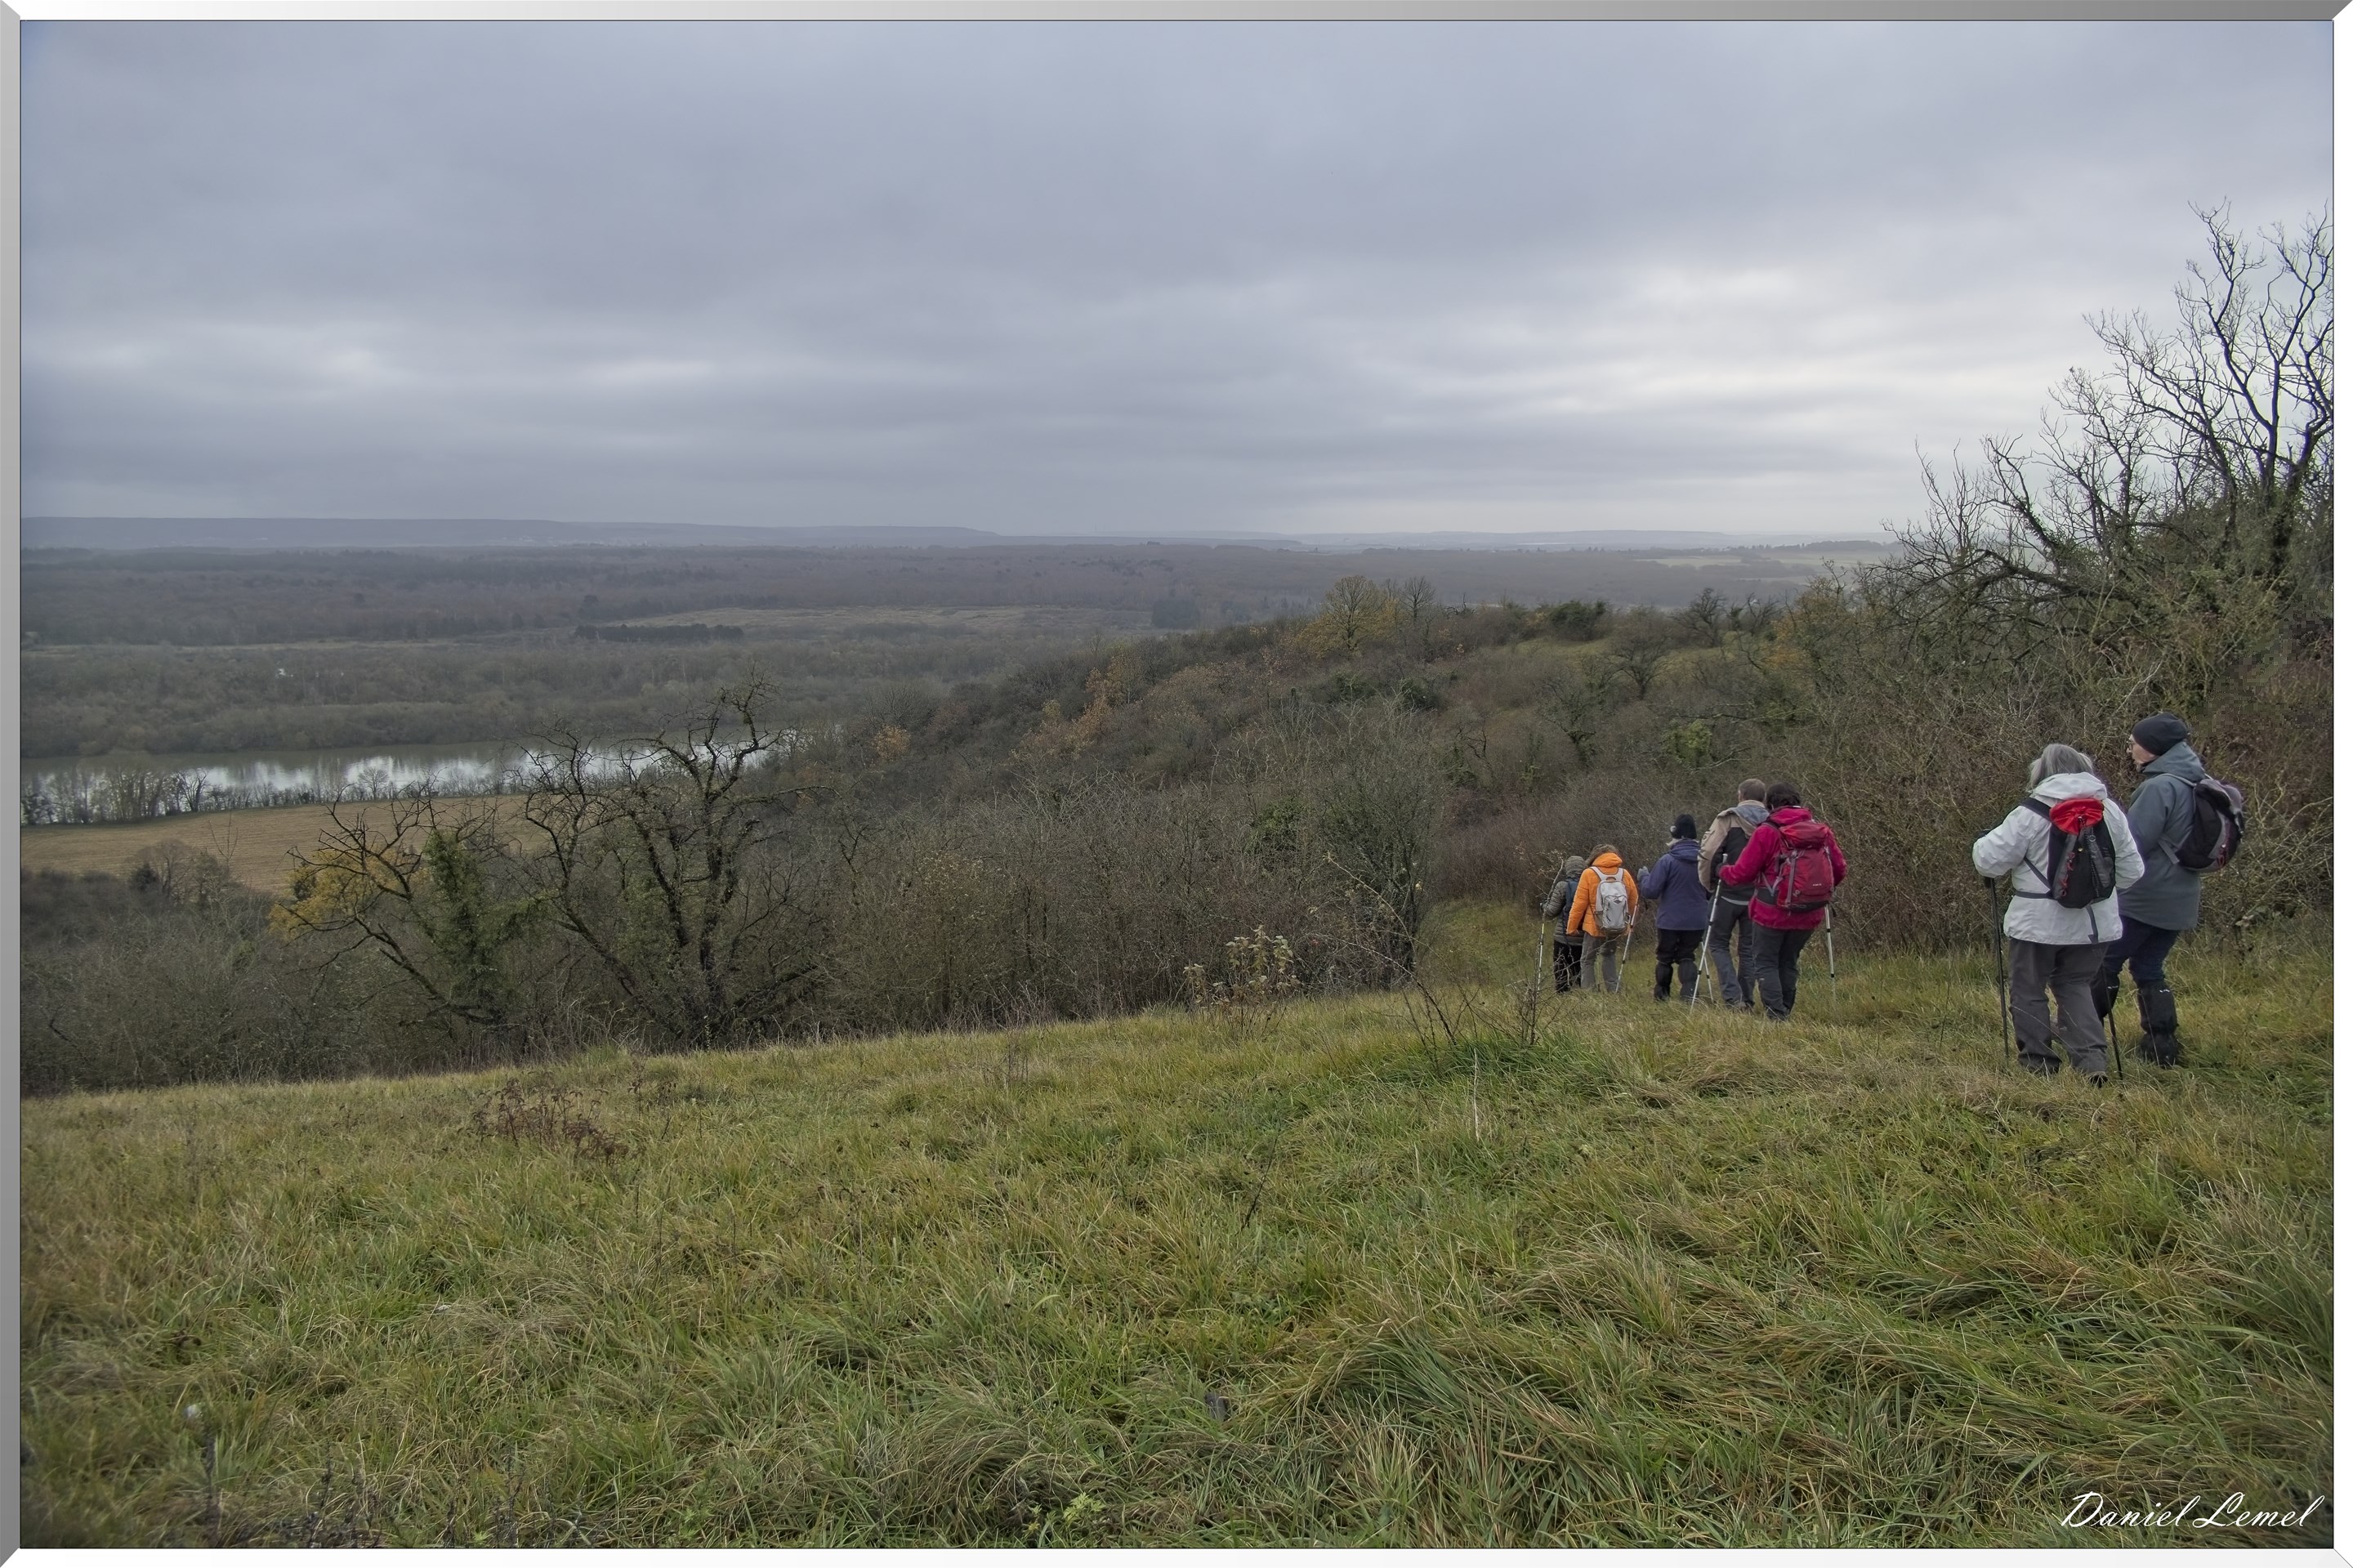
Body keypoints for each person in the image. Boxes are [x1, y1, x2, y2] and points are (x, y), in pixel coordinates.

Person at [1971, 743, 2145, 1082]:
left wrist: (1982, 842)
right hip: (2095, 925)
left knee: (2028, 989)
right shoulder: (2108, 810)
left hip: (2036, 925)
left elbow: (1989, 861)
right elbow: (2131, 872)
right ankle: (2092, 1064)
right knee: (2076, 986)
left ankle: (2039, 1065)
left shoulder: (2032, 811)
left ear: (2040, 773)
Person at [2098, 713, 2208, 1066]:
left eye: (2134, 741)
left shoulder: (2160, 787)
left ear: (2154, 748)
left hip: (2144, 897)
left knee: (2105, 962)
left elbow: (2133, 843)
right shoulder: (2197, 782)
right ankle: (2162, 1047)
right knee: (2149, 967)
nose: (2130, 748)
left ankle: (2081, 1033)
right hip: (2182, 898)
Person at [1717, 783, 1846, 1021]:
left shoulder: (1767, 831)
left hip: (1771, 911)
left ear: (1771, 805)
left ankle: (1776, 1016)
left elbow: (1742, 873)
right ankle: (1785, 1009)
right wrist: (1815, 892)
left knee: (1766, 961)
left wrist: (1722, 871)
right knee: (1789, 961)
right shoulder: (1821, 831)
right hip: (1809, 912)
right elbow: (1839, 869)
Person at [1697, 779, 1770, 1008]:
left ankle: (1732, 996)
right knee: (1748, 950)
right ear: (1763, 798)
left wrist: (1709, 882)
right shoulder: (1772, 823)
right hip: (1758, 896)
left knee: (1718, 944)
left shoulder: (1728, 819)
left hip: (1727, 892)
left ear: (1740, 795)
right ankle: (1746, 998)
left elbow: (1708, 852)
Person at [1638, 815, 1710, 1001]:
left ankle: (1662, 996)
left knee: (1665, 958)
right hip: (1696, 920)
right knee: (1687, 956)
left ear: (1675, 836)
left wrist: (1644, 877)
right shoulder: (1705, 861)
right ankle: (1688, 996)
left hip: (1670, 920)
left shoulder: (1667, 861)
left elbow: (1650, 891)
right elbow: (1710, 891)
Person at [1562, 844, 1640, 993]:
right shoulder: (1624, 874)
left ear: (1595, 856)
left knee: (1587, 960)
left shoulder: (1589, 874)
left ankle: (1589, 992)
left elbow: (1579, 904)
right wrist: (1630, 924)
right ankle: (1613, 989)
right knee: (1609, 956)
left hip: (1595, 927)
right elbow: (1633, 901)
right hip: (1616, 925)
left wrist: (1571, 927)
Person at [1538, 853, 1589, 993]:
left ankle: (1562, 992)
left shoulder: (1562, 886)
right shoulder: (1590, 884)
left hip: (1563, 936)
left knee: (1560, 964)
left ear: (1568, 869)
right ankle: (1579, 991)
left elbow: (1551, 911)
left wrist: (1543, 905)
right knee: (1578, 965)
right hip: (1583, 935)